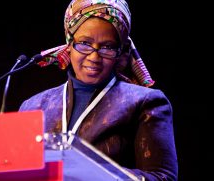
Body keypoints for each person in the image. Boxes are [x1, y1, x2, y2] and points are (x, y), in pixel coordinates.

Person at [18, 0, 178, 180]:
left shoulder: (145, 103)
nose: (94, 57)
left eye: (107, 47)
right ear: (69, 43)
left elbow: (163, 177)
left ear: (121, 51)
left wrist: (88, 173)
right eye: (85, 43)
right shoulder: (33, 106)